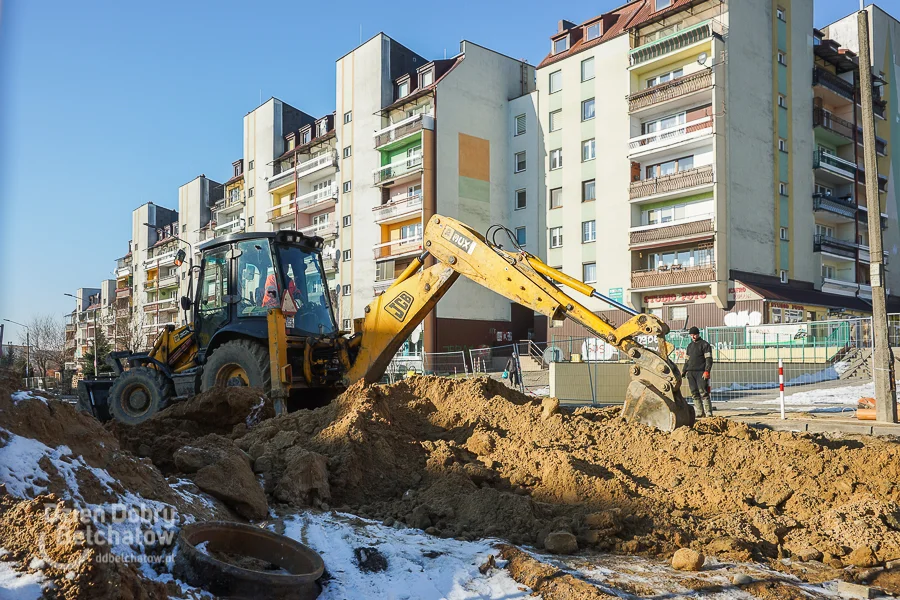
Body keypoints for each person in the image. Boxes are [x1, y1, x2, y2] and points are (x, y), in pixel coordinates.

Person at [682, 326, 713, 418]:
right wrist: (684, 371)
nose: (693, 336)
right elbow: (687, 360)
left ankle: (708, 412)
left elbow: (709, 359)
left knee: (703, 392)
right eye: (691, 335)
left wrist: (707, 371)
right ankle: (699, 411)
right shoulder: (689, 346)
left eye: (694, 334)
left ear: (698, 334)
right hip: (690, 373)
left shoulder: (705, 345)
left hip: (701, 372)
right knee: (694, 393)